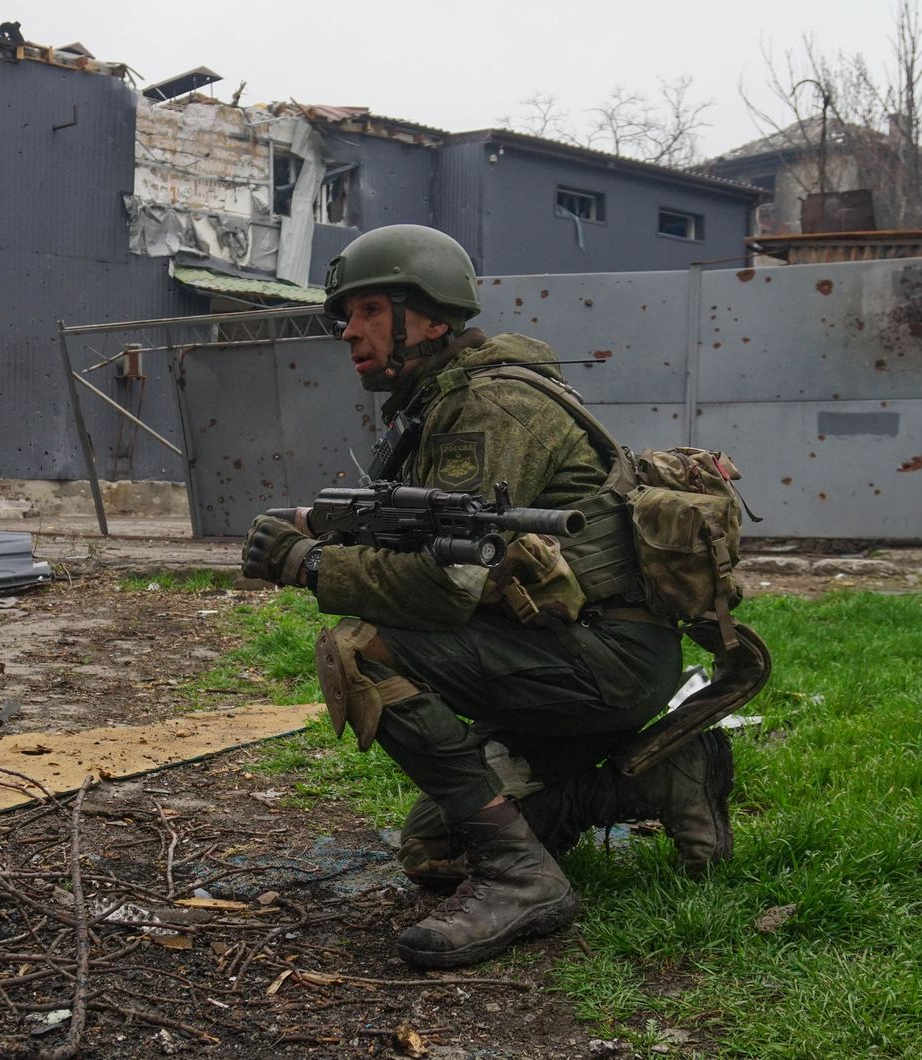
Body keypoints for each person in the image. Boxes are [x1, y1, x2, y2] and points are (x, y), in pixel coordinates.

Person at [240, 224, 734, 970]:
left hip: (603, 655)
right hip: (569, 646)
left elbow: (443, 588)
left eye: (371, 310)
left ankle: (523, 878)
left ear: (432, 317)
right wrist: (325, 525)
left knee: (362, 650)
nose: (349, 332)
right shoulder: (437, 403)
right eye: (345, 315)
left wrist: (310, 566)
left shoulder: (488, 408)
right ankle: (657, 779)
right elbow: (422, 534)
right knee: (431, 852)